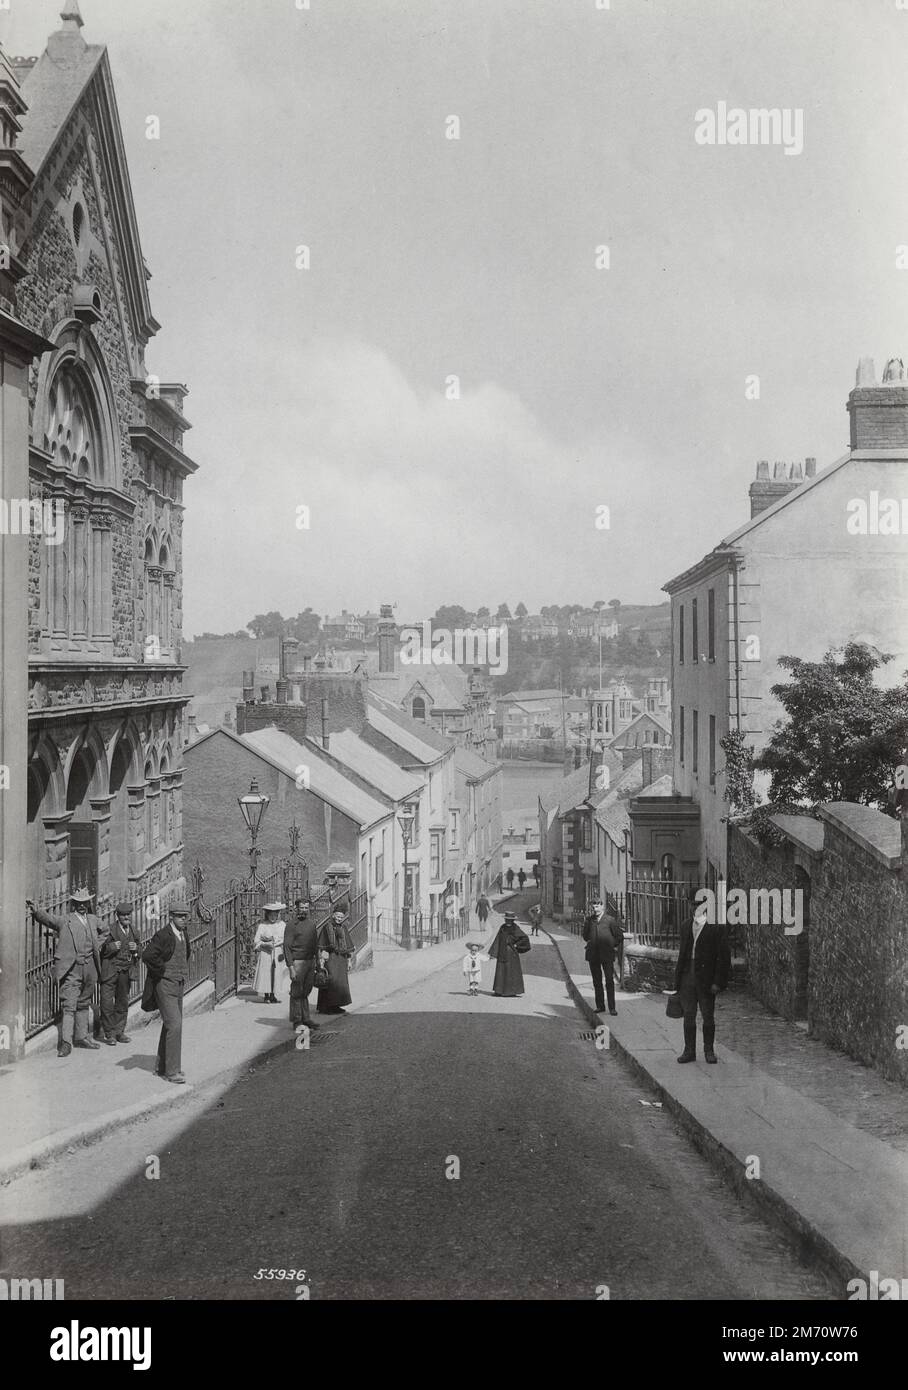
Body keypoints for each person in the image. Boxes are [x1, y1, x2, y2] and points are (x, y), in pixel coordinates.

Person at [26, 887, 105, 1057]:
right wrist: (37, 910)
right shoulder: (65, 921)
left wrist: (97, 945)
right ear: (74, 904)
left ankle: (82, 1037)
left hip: (90, 968)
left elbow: (105, 931)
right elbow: (49, 920)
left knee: (84, 1002)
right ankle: (66, 1043)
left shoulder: (93, 920)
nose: (82, 906)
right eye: (79, 903)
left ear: (88, 903)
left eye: (85, 903)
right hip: (72, 969)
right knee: (69, 1005)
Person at [675, 898, 731, 1064]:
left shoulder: (716, 928)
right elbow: (682, 955)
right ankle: (689, 1051)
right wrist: (677, 980)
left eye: (699, 904)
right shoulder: (685, 925)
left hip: (706, 979)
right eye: (693, 904)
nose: (695, 907)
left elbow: (724, 958)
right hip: (687, 977)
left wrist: (718, 982)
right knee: (688, 1015)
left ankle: (709, 1050)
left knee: (708, 1016)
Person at [142, 900, 192, 1084]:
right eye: (180, 916)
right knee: (175, 1024)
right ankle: (172, 1072)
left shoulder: (183, 933)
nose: (183, 919)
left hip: (178, 984)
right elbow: (147, 955)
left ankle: (161, 1066)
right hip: (164, 986)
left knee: (169, 1024)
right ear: (171, 916)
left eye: (185, 916)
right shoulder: (163, 935)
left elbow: (186, 953)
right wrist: (162, 970)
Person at [99, 900, 141, 1044]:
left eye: (128, 914)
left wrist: (136, 950)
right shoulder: (109, 930)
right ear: (118, 916)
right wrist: (110, 947)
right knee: (106, 1003)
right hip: (110, 972)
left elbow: (140, 952)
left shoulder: (134, 931)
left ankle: (119, 1032)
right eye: (123, 915)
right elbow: (99, 950)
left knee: (122, 1003)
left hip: (125, 972)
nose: (126, 917)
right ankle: (109, 1034)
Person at [283, 899, 320, 1031]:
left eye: (306, 907)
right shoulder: (292, 925)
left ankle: (306, 1018)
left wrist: (318, 963)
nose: (304, 910)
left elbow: (315, 944)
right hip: (297, 962)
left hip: (310, 961)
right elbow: (286, 947)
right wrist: (291, 968)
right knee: (296, 992)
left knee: (306, 991)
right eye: (301, 907)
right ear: (296, 908)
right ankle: (297, 1020)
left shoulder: (311, 924)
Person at [582, 897, 623, 1016]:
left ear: (602, 906)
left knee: (609, 981)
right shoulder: (589, 920)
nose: (595, 909)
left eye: (597, 906)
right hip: (593, 955)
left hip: (607, 955)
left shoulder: (610, 920)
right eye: (593, 907)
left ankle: (612, 1008)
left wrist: (611, 945)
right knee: (597, 981)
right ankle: (600, 1006)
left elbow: (619, 936)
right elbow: (585, 936)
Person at [317, 907, 354, 1015]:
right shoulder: (326, 927)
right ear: (333, 915)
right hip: (331, 958)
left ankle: (336, 1006)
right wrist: (322, 960)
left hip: (341, 959)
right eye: (337, 916)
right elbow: (322, 945)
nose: (339, 919)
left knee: (340, 983)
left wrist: (349, 961)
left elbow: (348, 945)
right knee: (330, 981)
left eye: (341, 917)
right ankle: (326, 1007)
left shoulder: (344, 928)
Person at [252, 902, 289, 1004]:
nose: (273, 917)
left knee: (277, 973)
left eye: (275, 915)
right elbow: (256, 940)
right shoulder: (263, 925)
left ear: (278, 915)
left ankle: (273, 995)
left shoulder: (282, 925)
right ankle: (266, 995)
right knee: (266, 973)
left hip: (277, 951)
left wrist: (278, 943)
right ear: (267, 915)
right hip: (266, 952)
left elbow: (286, 938)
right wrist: (264, 943)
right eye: (271, 915)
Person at [488, 910, 530, 996]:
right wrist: (493, 953)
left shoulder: (515, 928)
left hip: (511, 953)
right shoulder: (502, 927)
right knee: (501, 971)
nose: (507, 921)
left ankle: (511, 992)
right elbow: (498, 939)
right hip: (502, 952)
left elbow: (524, 938)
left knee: (511, 971)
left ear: (512, 920)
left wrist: (516, 945)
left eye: (509, 919)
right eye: (506, 919)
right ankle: (499, 991)